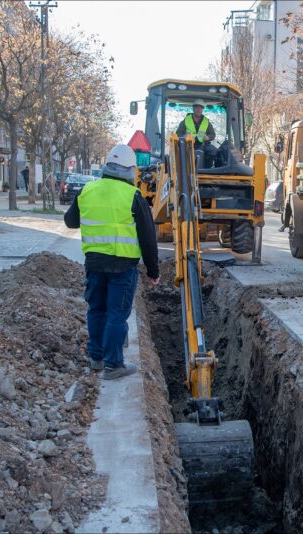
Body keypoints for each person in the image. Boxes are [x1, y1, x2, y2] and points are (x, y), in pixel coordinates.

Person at [64, 144, 160, 380]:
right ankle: (113, 365)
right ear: (130, 170)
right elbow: (148, 237)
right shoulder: (133, 196)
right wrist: (152, 271)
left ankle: (96, 358)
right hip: (123, 265)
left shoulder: (88, 190)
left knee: (97, 309)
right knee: (117, 314)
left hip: (94, 263)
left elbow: (70, 221)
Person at [176, 98, 217, 167]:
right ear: (193, 108)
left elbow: (212, 134)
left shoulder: (206, 122)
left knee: (213, 151)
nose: (198, 109)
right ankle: (184, 169)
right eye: (196, 107)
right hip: (188, 145)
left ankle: (207, 169)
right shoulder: (186, 120)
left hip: (202, 145)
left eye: (200, 108)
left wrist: (208, 137)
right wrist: (183, 136)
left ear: (202, 109)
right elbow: (178, 133)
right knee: (178, 150)